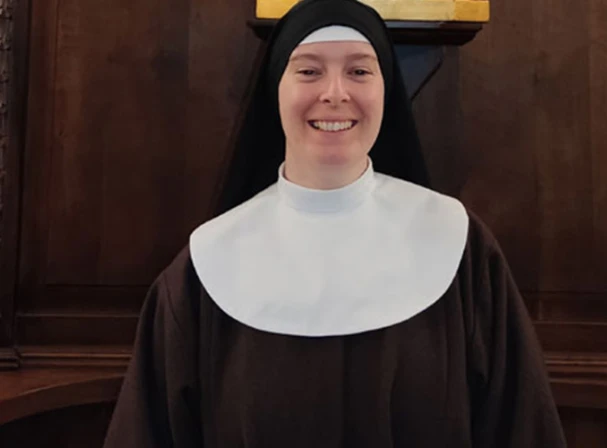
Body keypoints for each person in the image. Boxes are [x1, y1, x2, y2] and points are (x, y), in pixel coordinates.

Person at [103, 0, 567, 446]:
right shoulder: (204, 270)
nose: (335, 93)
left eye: (359, 71)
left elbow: (522, 427)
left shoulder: (460, 249)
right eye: (308, 71)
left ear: (386, 90)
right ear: (275, 89)